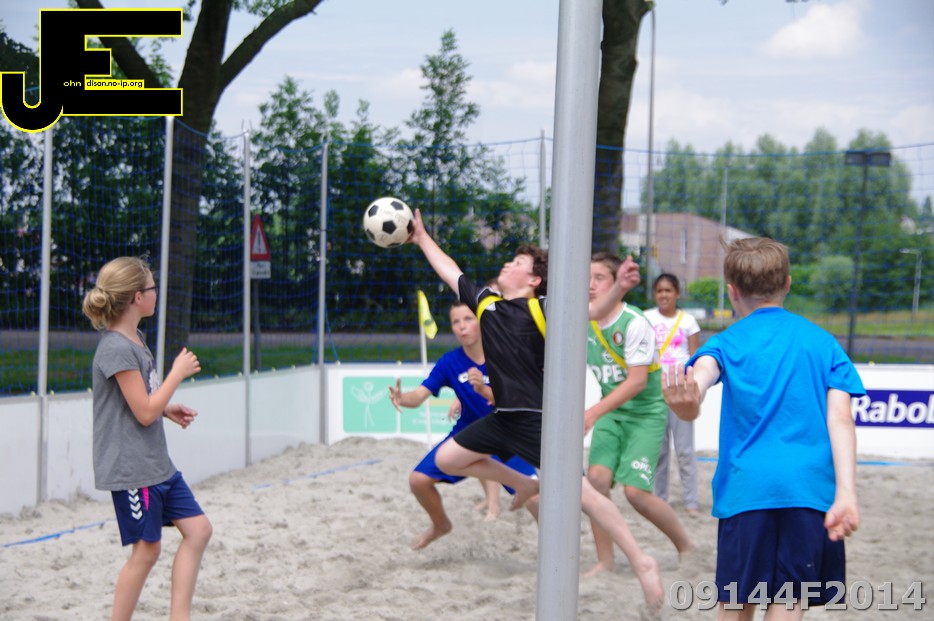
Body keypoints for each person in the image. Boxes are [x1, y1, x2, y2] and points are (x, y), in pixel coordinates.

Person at [405, 208, 665, 608]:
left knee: (586, 496)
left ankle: (642, 561)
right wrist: (422, 238)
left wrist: (618, 289)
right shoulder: (486, 304)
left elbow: (592, 312)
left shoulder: (543, 308)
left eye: (518, 263)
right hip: (503, 418)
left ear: (534, 280)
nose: (508, 264)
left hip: (539, 421)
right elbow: (450, 271)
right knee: (448, 458)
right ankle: (524, 483)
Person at [662, 237, 864, 620]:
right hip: (810, 493)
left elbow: (702, 375)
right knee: (789, 603)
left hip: (747, 492)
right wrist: (847, 493)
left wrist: (690, 400)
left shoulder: (726, 343)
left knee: (737, 606)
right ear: (787, 283)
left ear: (732, 291)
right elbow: (841, 419)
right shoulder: (824, 344)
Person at [82, 257, 212, 621]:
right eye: (153, 288)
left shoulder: (135, 339)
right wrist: (176, 374)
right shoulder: (115, 348)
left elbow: (142, 401)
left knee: (199, 530)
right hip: (132, 470)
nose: (157, 293)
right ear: (137, 297)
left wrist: (166, 408)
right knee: (146, 551)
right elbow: (142, 412)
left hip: (156, 464)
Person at [388, 300, 538, 549]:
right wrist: (403, 398)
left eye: (468, 319)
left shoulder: (504, 353)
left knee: (536, 499)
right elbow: (419, 396)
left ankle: (556, 554)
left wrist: (484, 389)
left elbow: (522, 396)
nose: (462, 327)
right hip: (468, 435)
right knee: (418, 481)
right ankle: (441, 525)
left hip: (508, 434)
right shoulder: (450, 362)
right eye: (456, 322)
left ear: (482, 322)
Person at [583, 254, 694, 578]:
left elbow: (637, 382)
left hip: (645, 412)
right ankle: (605, 561)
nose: (590, 285)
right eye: (587, 277)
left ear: (616, 282)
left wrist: (592, 413)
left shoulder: (633, 321)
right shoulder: (582, 319)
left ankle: (686, 546)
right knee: (596, 481)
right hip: (612, 412)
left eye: (599, 277)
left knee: (636, 494)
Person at [644, 273, 702, 516]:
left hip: (679, 392)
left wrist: (693, 390)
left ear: (677, 294)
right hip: (655, 391)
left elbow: (696, 358)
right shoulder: (646, 318)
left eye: (668, 290)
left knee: (685, 450)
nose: (664, 295)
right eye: (659, 291)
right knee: (659, 451)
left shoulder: (688, 321)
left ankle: (691, 502)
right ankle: (660, 499)